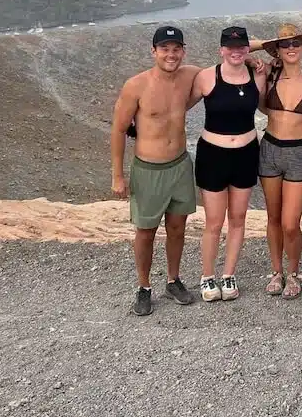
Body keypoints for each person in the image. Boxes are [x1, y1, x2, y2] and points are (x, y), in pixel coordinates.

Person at [110, 25, 199, 316]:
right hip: (148, 168)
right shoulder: (136, 85)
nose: (171, 54)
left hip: (180, 165)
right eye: (165, 49)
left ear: (183, 51)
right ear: (154, 51)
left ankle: (173, 281)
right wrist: (118, 175)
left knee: (177, 228)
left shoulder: (189, 76)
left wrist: (252, 57)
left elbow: (227, 64)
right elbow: (118, 130)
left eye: (176, 49)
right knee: (145, 231)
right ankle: (144, 287)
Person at [189, 25, 268, 303]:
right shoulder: (206, 77)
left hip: (246, 152)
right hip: (213, 154)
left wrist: (253, 58)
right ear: (221, 49)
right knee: (213, 221)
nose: (236, 51)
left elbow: (264, 104)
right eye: (230, 47)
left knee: (238, 218)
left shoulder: (257, 74)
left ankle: (229, 274)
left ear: (248, 48)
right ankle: (207, 276)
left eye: (242, 46)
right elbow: (178, 105)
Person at [251, 23, 302, 299]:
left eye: (296, 43)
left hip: (299, 153)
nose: (291, 48)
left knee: (291, 222)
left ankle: (294, 272)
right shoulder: (269, 73)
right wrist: (268, 43)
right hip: (270, 148)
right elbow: (239, 50)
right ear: (277, 50)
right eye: (285, 44)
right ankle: (277, 271)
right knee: (273, 217)